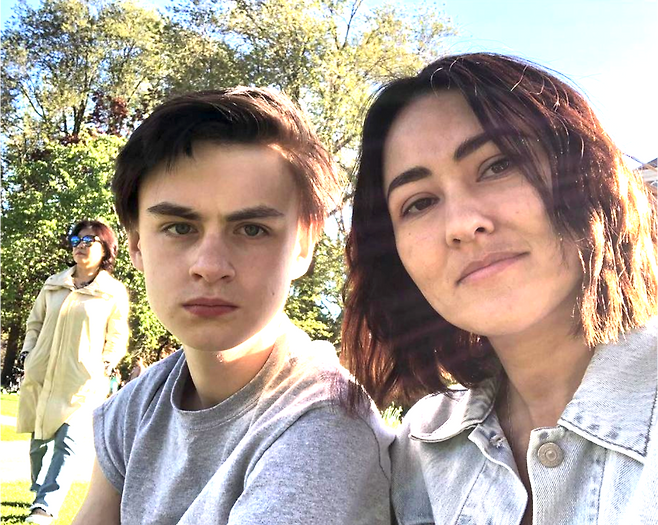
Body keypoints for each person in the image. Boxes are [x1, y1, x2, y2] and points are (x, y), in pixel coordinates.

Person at [342, 52, 658, 524]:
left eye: (498, 165)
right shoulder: (419, 450)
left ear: (587, 175)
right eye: (419, 203)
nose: (463, 224)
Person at [72, 87, 392, 525]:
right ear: (136, 244)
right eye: (179, 227)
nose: (210, 267)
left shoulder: (324, 431)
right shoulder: (135, 408)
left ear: (303, 246)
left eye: (252, 229)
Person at [17, 219, 130, 524]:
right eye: (77, 240)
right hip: (43, 374)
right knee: (39, 442)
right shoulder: (54, 284)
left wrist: (106, 363)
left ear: (106, 249)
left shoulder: (112, 292)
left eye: (90, 240)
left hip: (83, 378)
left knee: (69, 442)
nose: (81, 245)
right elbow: (35, 323)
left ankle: (44, 507)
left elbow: (117, 335)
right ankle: (39, 489)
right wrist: (28, 353)